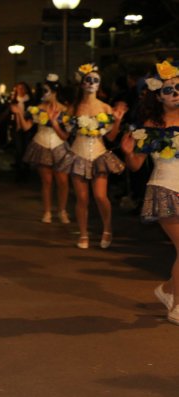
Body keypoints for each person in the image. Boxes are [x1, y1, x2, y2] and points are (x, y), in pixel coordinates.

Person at [120, 60, 179, 325]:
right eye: (168, 90)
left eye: (178, 87)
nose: (175, 93)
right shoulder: (151, 123)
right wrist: (128, 152)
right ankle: (176, 306)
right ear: (158, 95)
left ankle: (168, 289)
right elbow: (135, 166)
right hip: (164, 188)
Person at [56, 64, 127, 249]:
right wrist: (54, 123)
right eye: (88, 80)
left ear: (100, 84)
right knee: (82, 198)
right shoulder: (74, 107)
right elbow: (65, 136)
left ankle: (107, 228)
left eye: (95, 80)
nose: (91, 83)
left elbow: (111, 137)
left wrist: (117, 121)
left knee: (100, 196)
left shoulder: (105, 107)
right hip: (78, 155)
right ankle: (83, 233)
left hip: (98, 155)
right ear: (82, 83)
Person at [11, 73, 70, 224]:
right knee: (46, 181)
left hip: (59, 146)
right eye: (43, 90)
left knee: (62, 181)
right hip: (42, 145)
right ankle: (47, 211)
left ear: (54, 91)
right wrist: (18, 114)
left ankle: (62, 211)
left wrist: (55, 123)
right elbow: (26, 127)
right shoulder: (36, 109)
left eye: (46, 90)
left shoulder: (65, 110)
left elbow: (66, 135)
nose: (44, 93)